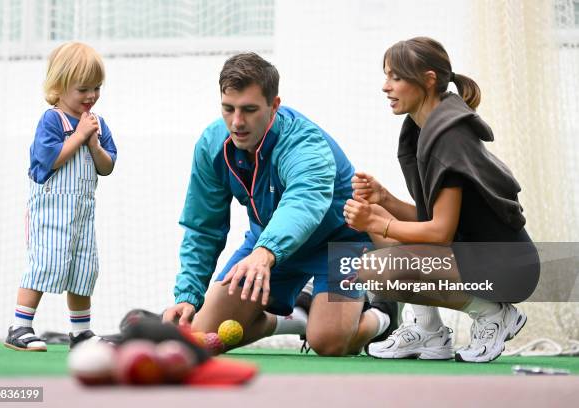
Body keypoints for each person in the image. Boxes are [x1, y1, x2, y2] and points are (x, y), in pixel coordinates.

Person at [163, 52, 396, 356]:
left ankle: (383, 314)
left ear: (274, 106)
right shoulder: (212, 145)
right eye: (228, 108)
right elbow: (203, 227)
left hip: (341, 241)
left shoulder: (306, 144)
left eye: (249, 110)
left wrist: (265, 252)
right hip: (269, 244)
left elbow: (303, 203)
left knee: (328, 341)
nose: (237, 122)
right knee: (201, 336)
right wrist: (188, 296)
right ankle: (298, 314)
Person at [343, 37, 539, 363]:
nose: (385, 86)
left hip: (508, 267)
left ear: (428, 80)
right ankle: (427, 330)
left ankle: (493, 314)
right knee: (380, 232)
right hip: (475, 254)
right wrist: (385, 201)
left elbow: (439, 233)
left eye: (396, 77)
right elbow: (433, 220)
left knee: (378, 268)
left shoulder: (450, 137)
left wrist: (381, 221)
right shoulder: (426, 128)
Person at [4, 42, 117, 351]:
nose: (91, 96)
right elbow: (49, 160)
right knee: (44, 263)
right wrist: (79, 136)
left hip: (81, 213)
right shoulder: (52, 121)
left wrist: (93, 144)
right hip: (51, 211)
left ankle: (80, 332)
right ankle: (20, 325)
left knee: (83, 268)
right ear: (60, 86)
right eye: (83, 89)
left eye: (96, 87)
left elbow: (107, 166)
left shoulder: (98, 124)